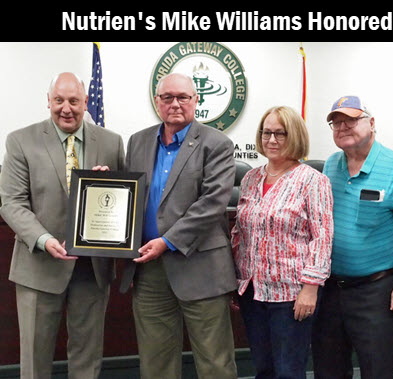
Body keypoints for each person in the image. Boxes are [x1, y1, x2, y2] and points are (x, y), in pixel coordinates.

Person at [0, 72, 125, 379]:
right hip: (39, 265)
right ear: (48, 101)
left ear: (85, 102)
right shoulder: (21, 140)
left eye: (73, 101)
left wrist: (109, 182)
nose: (66, 108)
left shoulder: (111, 142)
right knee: (34, 359)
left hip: (91, 268)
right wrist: (43, 239)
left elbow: (125, 201)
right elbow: (12, 203)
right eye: (59, 101)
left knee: (88, 357)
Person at [119, 73, 238, 379]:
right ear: (157, 101)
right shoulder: (138, 141)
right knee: (155, 362)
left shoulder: (218, 144)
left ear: (196, 101)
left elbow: (212, 204)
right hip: (149, 270)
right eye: (167, 97)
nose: (175, 104)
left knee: (215, 362)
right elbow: (128, 194)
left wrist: (167, 241)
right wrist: (106, 182)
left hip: (200, 266)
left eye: (182, 97)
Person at [311, 96, 393, 379]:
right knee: (328, 369)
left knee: (377, 370)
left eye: (351, 120)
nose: (342, 127)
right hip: (331, 290)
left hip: (376, 291)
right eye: (336, 122)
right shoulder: (331, 166)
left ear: (372, 123)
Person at [231, 105, 333, 379]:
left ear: (295, 136)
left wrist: (311, 288)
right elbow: (240, 232)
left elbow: (322, 238)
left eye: (280, 133)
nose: (272, 140)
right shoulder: (251, 178)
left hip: (291, 294)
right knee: (264, 367)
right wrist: (237, 281)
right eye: (266, 133)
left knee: (288, 370)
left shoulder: (313, 181)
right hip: (253, 290)